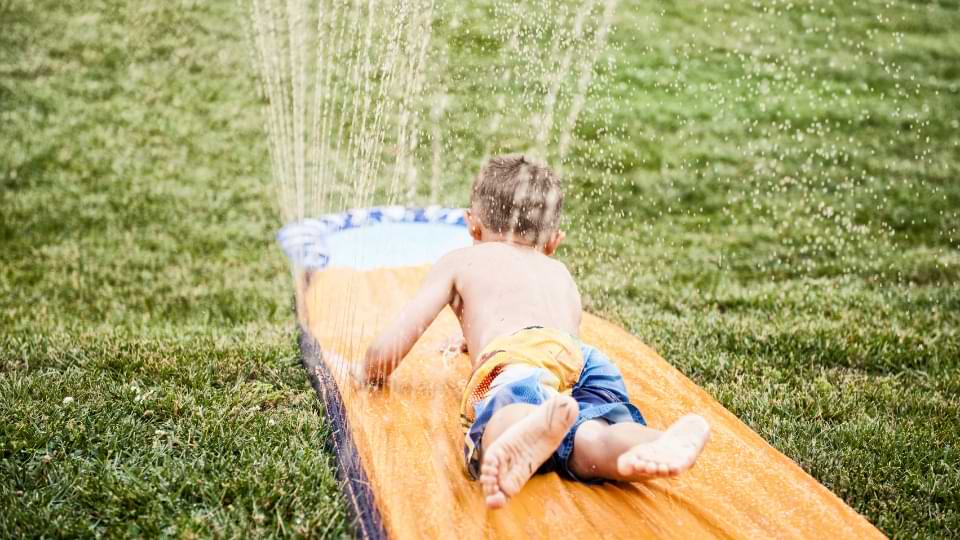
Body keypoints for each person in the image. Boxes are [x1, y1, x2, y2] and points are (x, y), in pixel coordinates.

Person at [341, 155, 709, 509]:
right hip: (583, 362)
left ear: (473, 226)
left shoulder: (461, 260)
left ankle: (520, 428)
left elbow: (393, 346)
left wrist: (368, 369)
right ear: (553, 241)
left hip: (518, 361)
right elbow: (551, 341)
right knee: (590, 434)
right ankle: (652, 443)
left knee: (514, 402)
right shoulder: (559, 272)